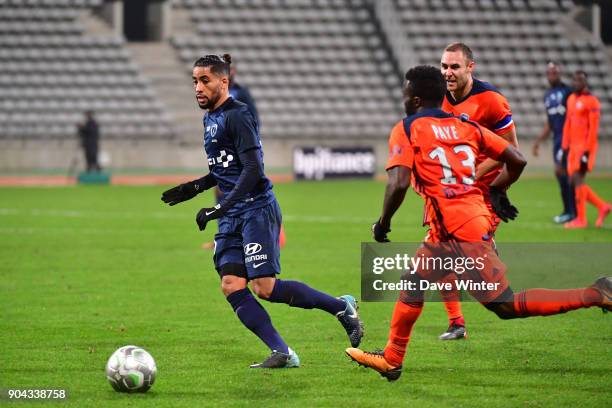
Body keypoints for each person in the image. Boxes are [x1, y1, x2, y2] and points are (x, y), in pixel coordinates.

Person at [349, 65, 611, 381]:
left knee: (504, 305)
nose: (402, 100)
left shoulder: (407, 128)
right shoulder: (465, 126)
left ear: (415, 100)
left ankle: (595, 294)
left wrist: (382, 223)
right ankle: (392, 359)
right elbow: (517, 158)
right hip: (455, 225)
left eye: (405, 94)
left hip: (460, 231)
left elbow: (398, 183)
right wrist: (497, 188)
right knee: (413, 282)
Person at [160, 54, 363, 368]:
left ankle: (340, 307)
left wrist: (219, 207)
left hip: (255, 209)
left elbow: (253, 169)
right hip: (232, 214)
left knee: (264, 288)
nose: (198, 87)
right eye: (195, 81)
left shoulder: (238, 115)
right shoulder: (210, 118)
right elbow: (227, 169)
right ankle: (283, 352)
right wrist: (195, 187)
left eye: (205, 80)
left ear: (223, 81)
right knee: (231, 284)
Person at [431, 42, 520, 340]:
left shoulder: (491, 101)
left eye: (454, 66)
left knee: (494, 297)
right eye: (444, 66)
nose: (448, 72)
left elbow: (511, 152)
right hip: (452, 192)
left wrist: (472, 174)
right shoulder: (439, 100)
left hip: (483, 193)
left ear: (471, 67)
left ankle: (590, 295)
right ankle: (456, 323)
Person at [203, 63, 287, 249]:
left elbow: (253, 119)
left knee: (246, 188)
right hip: (225, 149)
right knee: (220, 187)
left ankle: (269, 231)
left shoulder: (241, 93)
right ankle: (225, 236)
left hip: (241, 148)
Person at [562, 71, 611, 229]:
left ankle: (581, 220)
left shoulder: (592, 102)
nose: (576, 83)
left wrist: (587, 151)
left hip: (584, 148)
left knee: (577, 180)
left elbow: (593, 129)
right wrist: (565, 144)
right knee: (574, 181)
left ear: (585, 83)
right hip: (572, 148)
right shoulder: (570, 99)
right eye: (574, 80)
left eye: (579, 81)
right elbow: (568, 122)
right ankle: (602, 206)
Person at [532, 62, 575, 224]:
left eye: (555, 73)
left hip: (567, 138)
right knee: (562, 174)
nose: (552, 76)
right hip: (557, 139)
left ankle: (570, 211)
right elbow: (550, 122)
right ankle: (570, 211)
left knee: (562, 172)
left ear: (560, 73)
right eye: (550, 73)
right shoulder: (547, 95)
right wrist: (538, 141)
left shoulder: (568, 92)